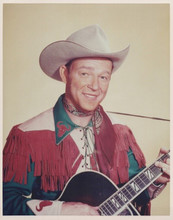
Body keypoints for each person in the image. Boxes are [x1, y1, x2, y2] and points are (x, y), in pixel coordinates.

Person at [3, 24, 170, 215]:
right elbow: (5, 201)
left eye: (103, 77)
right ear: (65, 74)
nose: (95, 86)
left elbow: (132, 199)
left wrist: (156, 178)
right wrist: (61, 210)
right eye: (85, 74)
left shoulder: (121, 132)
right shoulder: (27, 135)